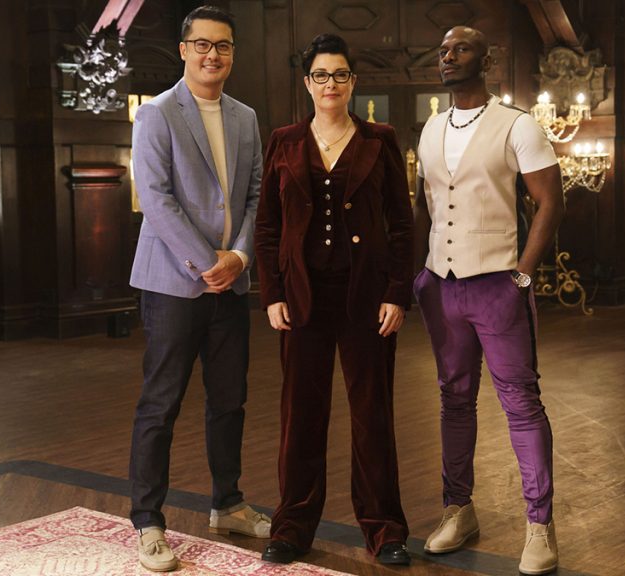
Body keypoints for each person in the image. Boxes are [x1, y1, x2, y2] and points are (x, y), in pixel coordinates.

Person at [254, 33, 413, 567]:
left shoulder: (379, 139)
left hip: (366, 298)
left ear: (352, 82)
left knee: (372, 416)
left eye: (340, 75)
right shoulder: (283, 140)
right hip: (302, 298)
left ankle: (385, 529)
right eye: (321, 75)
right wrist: (271, 293)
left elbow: (401, 223)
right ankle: (292, 527)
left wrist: (397, 292)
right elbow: (268, 226)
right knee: (301, 415)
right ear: (307, 83)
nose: (331, 84)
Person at [412, 25, 565, 576]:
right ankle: (458, 510)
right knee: (454, 400)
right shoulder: (431, 128)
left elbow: (550, 202)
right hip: (441, 285)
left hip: (498, 283)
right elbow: (424, 205)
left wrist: (521, 275)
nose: (448, 57)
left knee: (520, 402)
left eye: (460, 49)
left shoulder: (518, 125)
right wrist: (419, 275)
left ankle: (540, 525)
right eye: (443, 50)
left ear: (487, 60)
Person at [128, 5, 269, 573]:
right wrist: (208, 262)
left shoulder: (245, 117)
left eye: (224, 45)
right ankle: (148, 521)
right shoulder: (157, 113)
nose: (214, 54)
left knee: (230, 400)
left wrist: (239, 257)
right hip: (173, 283)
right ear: (184, 49)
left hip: (231, 283)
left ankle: (227, 504)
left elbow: (257, 195)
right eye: (204, 44)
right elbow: (155, 198)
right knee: (161, 403)